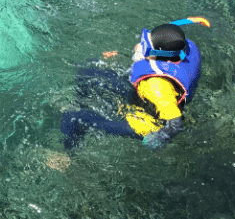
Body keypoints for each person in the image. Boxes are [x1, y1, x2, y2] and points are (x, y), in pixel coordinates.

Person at [54, 19, 206, 162]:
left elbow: (176, 123)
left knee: (73, 118)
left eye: (145, 47)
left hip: (144, 123)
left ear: (162, 56)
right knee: (86, 72)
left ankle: (66, 157)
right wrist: (119, 58)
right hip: (143, 95)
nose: (138, 48)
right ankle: (81, 103)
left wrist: (159, 138)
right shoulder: (183, 49)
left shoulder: (157, 87)